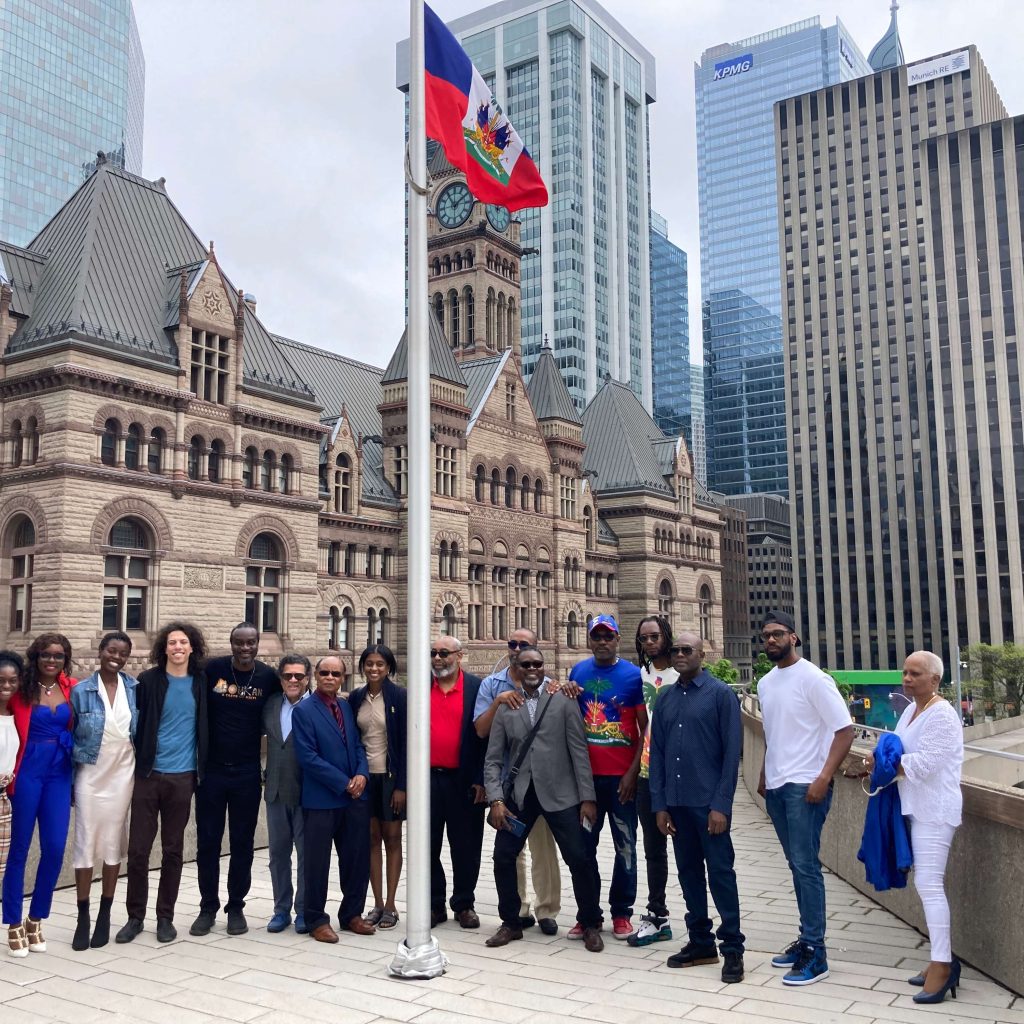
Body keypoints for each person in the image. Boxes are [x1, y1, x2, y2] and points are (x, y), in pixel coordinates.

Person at [483, 645, 603, 952]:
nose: (532, 668)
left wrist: (587, 797)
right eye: (526, 664)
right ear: (517, 668)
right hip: (521, 796)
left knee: (579, 858)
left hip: (561, 794)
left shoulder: (562, 700)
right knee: (503, 857)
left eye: (537, 663)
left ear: (544, 666)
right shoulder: (507, 705)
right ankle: (511, 922)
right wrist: (496, 800)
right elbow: (493, 758)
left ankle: (590, 923)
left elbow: (579, 751)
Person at [757, 611, 853, 986]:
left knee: (806, 866)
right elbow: (773, 733)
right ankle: (806, 939)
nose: (771, 640)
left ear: (794, 638)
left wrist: (823, 777)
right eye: (765, 635)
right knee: (797, 865)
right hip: (779, 786)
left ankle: (817, 953)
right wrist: (765, 772)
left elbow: (844, 731)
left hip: (805, 786)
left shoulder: (815, 679)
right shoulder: (766, 682)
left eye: (778, 634)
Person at [869, 652, 964, 1004]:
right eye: (905, 672)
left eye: (915, 673)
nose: (907, 679)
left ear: (935, 679)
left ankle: (943, 964)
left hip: (935, 811)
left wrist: (883, 762)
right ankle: (939, 958)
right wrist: (878, 759)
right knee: (925, 885)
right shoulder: (911, 709)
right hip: (912, 807)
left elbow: (923, 764)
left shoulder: (943, 715)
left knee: (929, 885)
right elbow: (896, 748)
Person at [650, 633, 744, 983]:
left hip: (708, 807)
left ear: (702, 655)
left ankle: (732, 948)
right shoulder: (666, 698)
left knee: (721, 874)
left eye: (686, 650)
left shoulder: (721, 695)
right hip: (677, 804)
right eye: (674, 650)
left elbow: (731, 754)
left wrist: (721, 805)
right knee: (689, 874)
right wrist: (660, 805)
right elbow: (657, 754)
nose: (679, 655)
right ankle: (701, 942)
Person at [116, 622, 209, 945]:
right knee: (138, 850)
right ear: (164, 648)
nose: (178, 647)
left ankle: (165, 917)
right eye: (172, 642)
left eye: (183, 642)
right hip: (148, 775)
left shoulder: (201, 682)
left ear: (192, 647)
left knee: (173, 850)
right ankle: (135, 916)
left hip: (183, 777)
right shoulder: (149, 680)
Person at [191, 622, 280, 938]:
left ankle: (236, 906)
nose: (245, 648)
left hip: (246, 773)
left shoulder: (268, 677)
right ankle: (207, 907)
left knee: (242, 844)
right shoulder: (212, 669)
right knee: (208, 843)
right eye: (239, 643)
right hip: (212, 772)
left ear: (257, 644)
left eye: (251, 643)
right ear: (231, 644)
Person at [474, 627, 562, 935]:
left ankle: (547, 909)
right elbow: (481, 732)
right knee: (512, 850)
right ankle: (519, 908)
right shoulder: (490, 685)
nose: (517, 648)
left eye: (524, 645)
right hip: (508, 786)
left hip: (541, 782)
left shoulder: (552, 687)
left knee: (543, 846)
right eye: (512, 643)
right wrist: (498, 702)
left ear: (537, 652)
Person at [568, 615, 646, 940]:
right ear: (589, 640)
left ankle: (621, 913)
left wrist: (632, 772)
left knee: (625, 846)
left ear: (617, 639)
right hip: (586, 783)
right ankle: (588, 915)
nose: (602, 641)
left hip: (622, 782)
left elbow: (645, 728)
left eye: (608, 636)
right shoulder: (578, 672)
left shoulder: (633, 676)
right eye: (596, 636)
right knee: (583, 848)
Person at [291, 655, 374, 942]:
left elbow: (358, 746)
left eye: (335, 674)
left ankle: (352, 914)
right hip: (322, 799)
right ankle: (316, 919)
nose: (329, 677)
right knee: (317, 863)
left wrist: (362, 774)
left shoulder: (345, 706)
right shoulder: (304, 711)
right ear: (315, 675)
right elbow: (308, 757)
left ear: (343, 677)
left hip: (354, 800)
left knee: (356, 859)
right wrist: (344, 783)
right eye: (324, 672)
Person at [4, 633, 76, 957]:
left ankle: (36, 918)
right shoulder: (21, 690)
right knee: (19, 849)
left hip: (60, 773)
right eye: (46, 654)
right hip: (28, 772)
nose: (51, 660)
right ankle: (13, 922)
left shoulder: (72, 688)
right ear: (35, 656)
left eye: (58, 655)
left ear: (65, 659)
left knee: (56, 847)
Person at [69, 632, 139, 950]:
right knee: (85, 841)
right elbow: (68, 735)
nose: (117, 657)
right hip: (89, 772)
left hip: (123, 774)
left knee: (113, 843)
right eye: (112, 650)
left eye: (123, 653)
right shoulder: (82, 691)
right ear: (100, 652)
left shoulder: (135, 689)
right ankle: (83, 916)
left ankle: (104, 914)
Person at [428, 635, 487, 928]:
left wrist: (481, 779)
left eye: (444, 653)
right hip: (428, 781)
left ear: (459, 656)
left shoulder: (477, 688)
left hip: (465, 782)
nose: (437, 659)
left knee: (466, 847)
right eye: (433, 653)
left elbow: (486, 739)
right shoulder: (420, 685)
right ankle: (435, 905)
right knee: (427, 846)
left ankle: (464, 904)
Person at [348, 644, 406, 930]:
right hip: (365, 778)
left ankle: (392, 905)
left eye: (380, 664)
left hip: (390, 779)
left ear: (389, 668)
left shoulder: (399, 697)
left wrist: (402, 786)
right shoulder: (356, 697)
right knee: (371, 840)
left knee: (392, 839)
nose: (374, 669)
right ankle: (378, 902)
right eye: (369, 664)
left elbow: (407, 745)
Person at [629, 614, 678, 948]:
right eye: (644, 638)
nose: (649, 642)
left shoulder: (682, 672)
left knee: (690, 849)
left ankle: (700, 918)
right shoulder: (641, 675)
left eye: (654, 636)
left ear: (667, 636)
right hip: (648, 774)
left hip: (679, 775)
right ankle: (657, 915)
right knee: (653, 849)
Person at [262, 653, 312, 934]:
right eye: (287, 676)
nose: (292, 680)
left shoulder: (316, 706)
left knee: (306, 855)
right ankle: (281, 909)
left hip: (307, 793)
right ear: (280, 679)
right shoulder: (270, 705)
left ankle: (303, 910)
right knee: (278, 855)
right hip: (276, 791)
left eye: (298, 676)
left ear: (307, 679)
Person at [0, 654, 22, 904]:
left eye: (12, 680)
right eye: (1, 681)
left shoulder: (14, 713)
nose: (7, 686)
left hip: (4, 802)